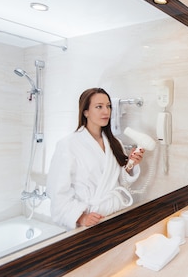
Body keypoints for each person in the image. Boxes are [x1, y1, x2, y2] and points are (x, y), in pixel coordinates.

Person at [47, 87, 146, 230]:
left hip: (115, 212)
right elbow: (56, 192)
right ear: (85, 112)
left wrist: (131, 163)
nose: (106, 111)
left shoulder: (115, 143)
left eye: (108, 106)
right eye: (99, 107)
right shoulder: (68, 145)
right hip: (90, 219)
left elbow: (120, 182)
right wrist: (81, 217)